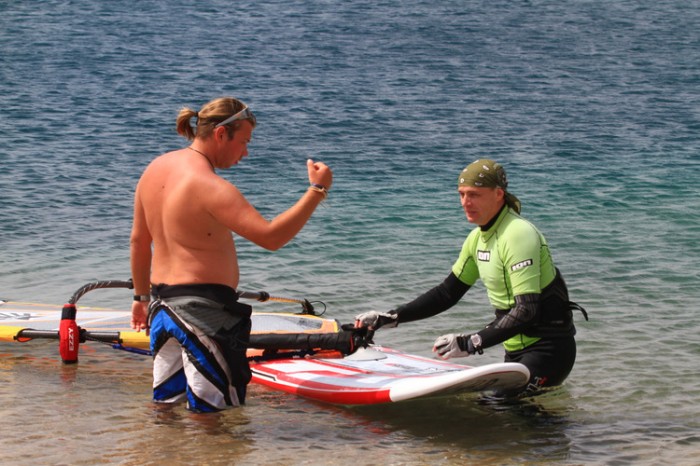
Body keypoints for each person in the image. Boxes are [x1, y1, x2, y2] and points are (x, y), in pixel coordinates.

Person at [129, 96, 333, 412]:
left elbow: (139, 242)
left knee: (166, 409)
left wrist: (140, 299)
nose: (246, 153)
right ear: (222, 134)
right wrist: (316, 192)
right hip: (204, 315)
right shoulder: (209, 185)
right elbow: (271, 237)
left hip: (161, 308)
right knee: (210, 418)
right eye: (244, 141)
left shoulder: (154, 170)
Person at [355, 159, 587, 395]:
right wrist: (391, 317)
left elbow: (527, 310)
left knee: (503, 412)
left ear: (498, 194)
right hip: (516, 350)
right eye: (462, 194)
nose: (465, 202)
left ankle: (583, 431)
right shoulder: (477, 239)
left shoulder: (518, 233)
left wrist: (471, 342)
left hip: (548, 349)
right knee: (505, 417)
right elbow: (447, 293)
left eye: (474, 194)